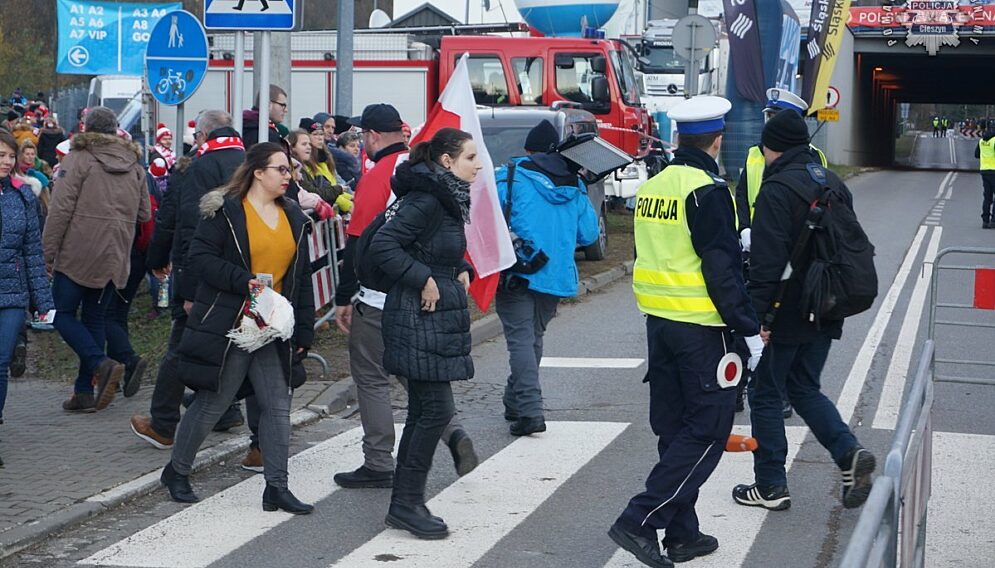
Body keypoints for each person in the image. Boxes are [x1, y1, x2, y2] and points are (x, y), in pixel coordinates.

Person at [609, 96, 764, 567]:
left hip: (660, 326)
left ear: (679, 138)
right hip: (704, 330)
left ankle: (683, 535)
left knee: (675, 431)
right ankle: (640, 520)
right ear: (717, 141)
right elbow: (723, 272)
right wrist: (750, 328)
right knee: (707, 433)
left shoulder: (655, 187)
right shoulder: (708, 192)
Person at [732, 109, 876, 513]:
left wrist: (757, 319)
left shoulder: (776, 189)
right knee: (804, 387)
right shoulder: (830, 181)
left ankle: (771, 485)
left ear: (770, 148)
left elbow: (766, 263)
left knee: (764, 392)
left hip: (787, 311)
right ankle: (848, 452)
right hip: (827, 303)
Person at [159, 142, 314, 513]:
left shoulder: (292, 215)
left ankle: (276, 486)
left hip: (271, 325)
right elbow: (199, 259)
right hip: (232, 322)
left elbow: (301, 278)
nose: (287, 176)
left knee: (277, 406)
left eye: (289, 170)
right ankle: (177, 471)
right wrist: (245, 282)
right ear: (258, 172)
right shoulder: (225, 211)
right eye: (280, 169)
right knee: (214, 401)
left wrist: (304, 331)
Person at [333, 104, 478, 490]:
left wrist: (345, 295)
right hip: (425, 300)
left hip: (384, 299)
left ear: (371, 137)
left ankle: (379, 461)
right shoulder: (432, 177)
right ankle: (455, 432)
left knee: (373, 379)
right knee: (422, 376)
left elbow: (361, 240)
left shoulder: (380, 174)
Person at [367, 127, 478, 539]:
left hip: (430, 321)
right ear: (447, 162)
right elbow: (384, 245)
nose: (479, 166)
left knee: (426, 412)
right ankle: (406, 504)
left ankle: (406, 502)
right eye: (470, 158)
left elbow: (431, 247)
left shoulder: (443, 198)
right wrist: (423, 279)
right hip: (417, 319)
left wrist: (459, 267)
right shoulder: (428, 198)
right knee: (433, 411)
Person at [131, 110, 247, 449]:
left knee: (182, 347)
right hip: (243, 276)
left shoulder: (199, 168)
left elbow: (186, 227)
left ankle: (164, 423)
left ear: (202, 136)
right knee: (236, 344)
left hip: (205, 275)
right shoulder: (251, 161)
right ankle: (229, 414)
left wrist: (169, 270)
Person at [494, 120, 600, 435]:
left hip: (517, 273)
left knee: (522, 341)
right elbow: (590, 234)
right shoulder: (574, 184)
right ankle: (515, 401)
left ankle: (530, 412)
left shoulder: (509, 177)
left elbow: (486, 220)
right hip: (555, 277)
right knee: (532, 339)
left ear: (528, 150)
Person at [43, 107, 151, 413]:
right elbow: (144, 214)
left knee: (61, 314)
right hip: (115, 254)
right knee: (94, 319)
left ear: (86, 128)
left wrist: (47, 253)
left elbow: (60, 210)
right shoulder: (135, 165)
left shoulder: (78, 159)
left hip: (78, 251)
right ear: (116, 129)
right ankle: (83, 392)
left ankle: (99, 363)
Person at [735, 88, 823, 418]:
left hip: (788, 251)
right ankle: (745, 385)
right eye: (768, 116)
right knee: (750, 316)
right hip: (753, 244)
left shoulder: (814, 160)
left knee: (772, 323)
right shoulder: (753, 155)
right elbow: (741, 195)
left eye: (775, 118)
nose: (767, 123)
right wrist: (744, 228)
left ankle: (778, 392)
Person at [0, 129, 54, 466]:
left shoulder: (23, 197)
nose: (6, 161)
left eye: (9, 155)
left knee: (1, 363)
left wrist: (43, 301)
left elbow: (33, 251)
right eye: (0, 155)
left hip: (11, 294)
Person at [975, 126, 995, 228]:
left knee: (987, 197)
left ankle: (985, 221)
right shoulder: (994, 141)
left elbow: (976, 154)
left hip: (984, 171)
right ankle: (994, 220)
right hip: (994, 171)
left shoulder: (981, 141)